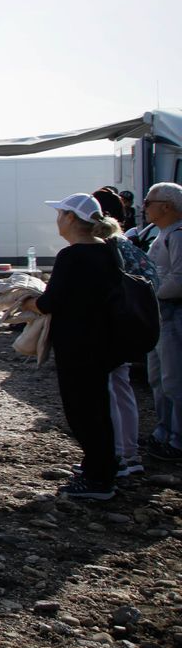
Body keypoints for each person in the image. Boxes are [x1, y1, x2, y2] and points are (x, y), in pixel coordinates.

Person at [22, 194, 127, 499]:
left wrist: (29, 301)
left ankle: (98, 478)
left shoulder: (73, 256)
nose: (57, 219)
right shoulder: (108, 251)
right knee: (98, 407)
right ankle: (102, 466)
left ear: (70, 219)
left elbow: (51, 301)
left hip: (78, 343)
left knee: (82, 410)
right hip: (103, 340)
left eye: (60, 214)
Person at [93, 192, 156, 479]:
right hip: (129, 325)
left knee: (111, 390)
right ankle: (128, 453)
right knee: (122, 387)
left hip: (112, 326)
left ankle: (121, 455)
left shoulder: (106, 248)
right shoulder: (125, 243)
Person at [142, 182, 182, 463]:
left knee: (173, 379)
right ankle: (163, 432)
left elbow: (179, 278)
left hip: (172, 313)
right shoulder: (165, 233)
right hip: (161, 314)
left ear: (166, 207)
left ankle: (177, 440)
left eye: (148, 202)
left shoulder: (177, 234)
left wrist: (150, 294)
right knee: (159, 378)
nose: (144, 207)